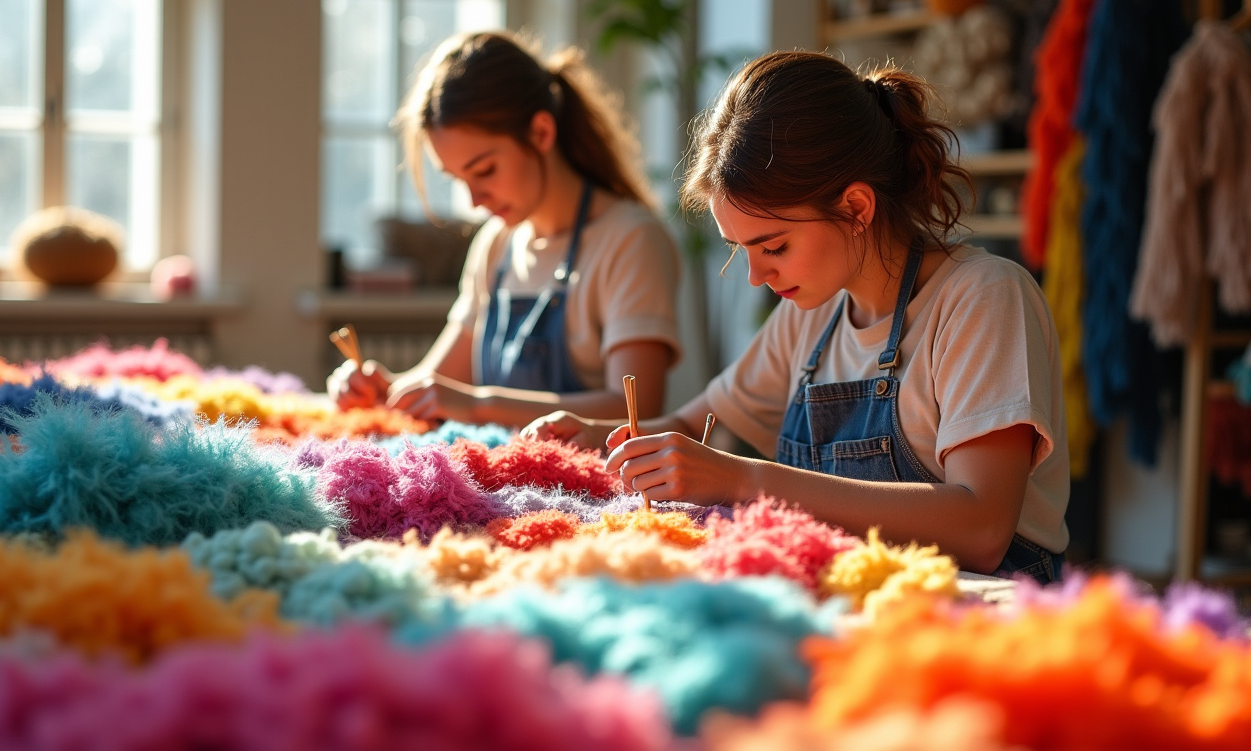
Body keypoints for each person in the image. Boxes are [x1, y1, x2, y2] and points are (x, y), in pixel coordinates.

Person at [524, 51, 1070, 583]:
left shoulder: (981, 298)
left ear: (856, 208)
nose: (757, 277)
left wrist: (743, 478)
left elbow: (981, 528)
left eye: (775, 247)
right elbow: (696, 426)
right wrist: (599, 436)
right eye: (742, 251)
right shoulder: (813, 314)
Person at [328, 31, 681, 428]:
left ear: (542, 133)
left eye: (484, 171)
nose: (474, 200)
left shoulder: (631, 241)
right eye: (457, 179)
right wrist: (378, 391)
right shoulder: (496, 244)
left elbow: (638, 411)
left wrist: (481, 406)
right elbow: (437, 385)